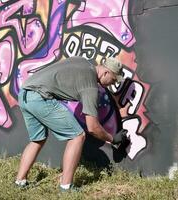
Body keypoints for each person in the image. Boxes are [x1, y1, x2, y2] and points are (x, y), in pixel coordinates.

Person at [15, 56, 128, 191]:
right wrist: (113, 139)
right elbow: (92, 127)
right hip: (41, 97)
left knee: (37, 139)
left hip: (25, 94)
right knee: (77, 136)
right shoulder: (90, 86)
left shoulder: (81, 61)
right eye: (113, 80)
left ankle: (20, 182)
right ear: (106, 73)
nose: (111, 84)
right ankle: (66, 186)